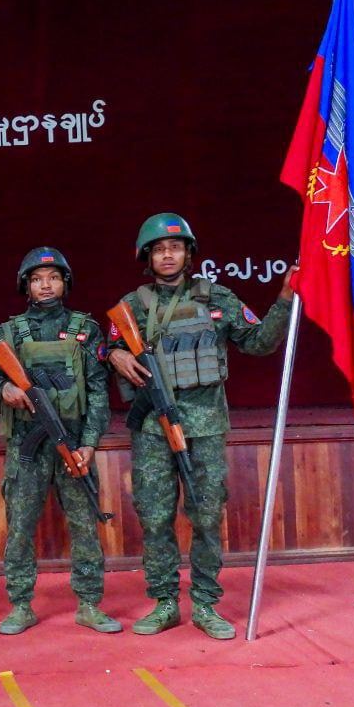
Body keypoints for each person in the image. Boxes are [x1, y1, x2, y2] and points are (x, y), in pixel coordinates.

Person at [107, 214, 295, 639]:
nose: (167, 255)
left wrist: (285, 299)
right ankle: (165, 602)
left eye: (175, 248)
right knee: (155, 517)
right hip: (153, 428)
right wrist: (113, 354)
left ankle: (206, 604)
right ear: (147, 257)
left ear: (188, 253)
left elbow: (259, 343)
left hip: (206, 427)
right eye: (159, 250)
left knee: (206, 516)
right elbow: (106, 350)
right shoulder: (132, 305)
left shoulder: (218, 298)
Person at [0, 247, 120, 636]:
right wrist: (3, 387)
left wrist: (90, 443)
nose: (45, 285)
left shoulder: (85, 330)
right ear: (26, 286)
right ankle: (21, 605)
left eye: (53, 278)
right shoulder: (8, 333)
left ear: (65, 283)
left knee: (84, 524)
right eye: (37, 279)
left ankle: (89, 604)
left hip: (73, 443)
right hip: (27, 446)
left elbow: (98, 390)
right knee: (20, 526)